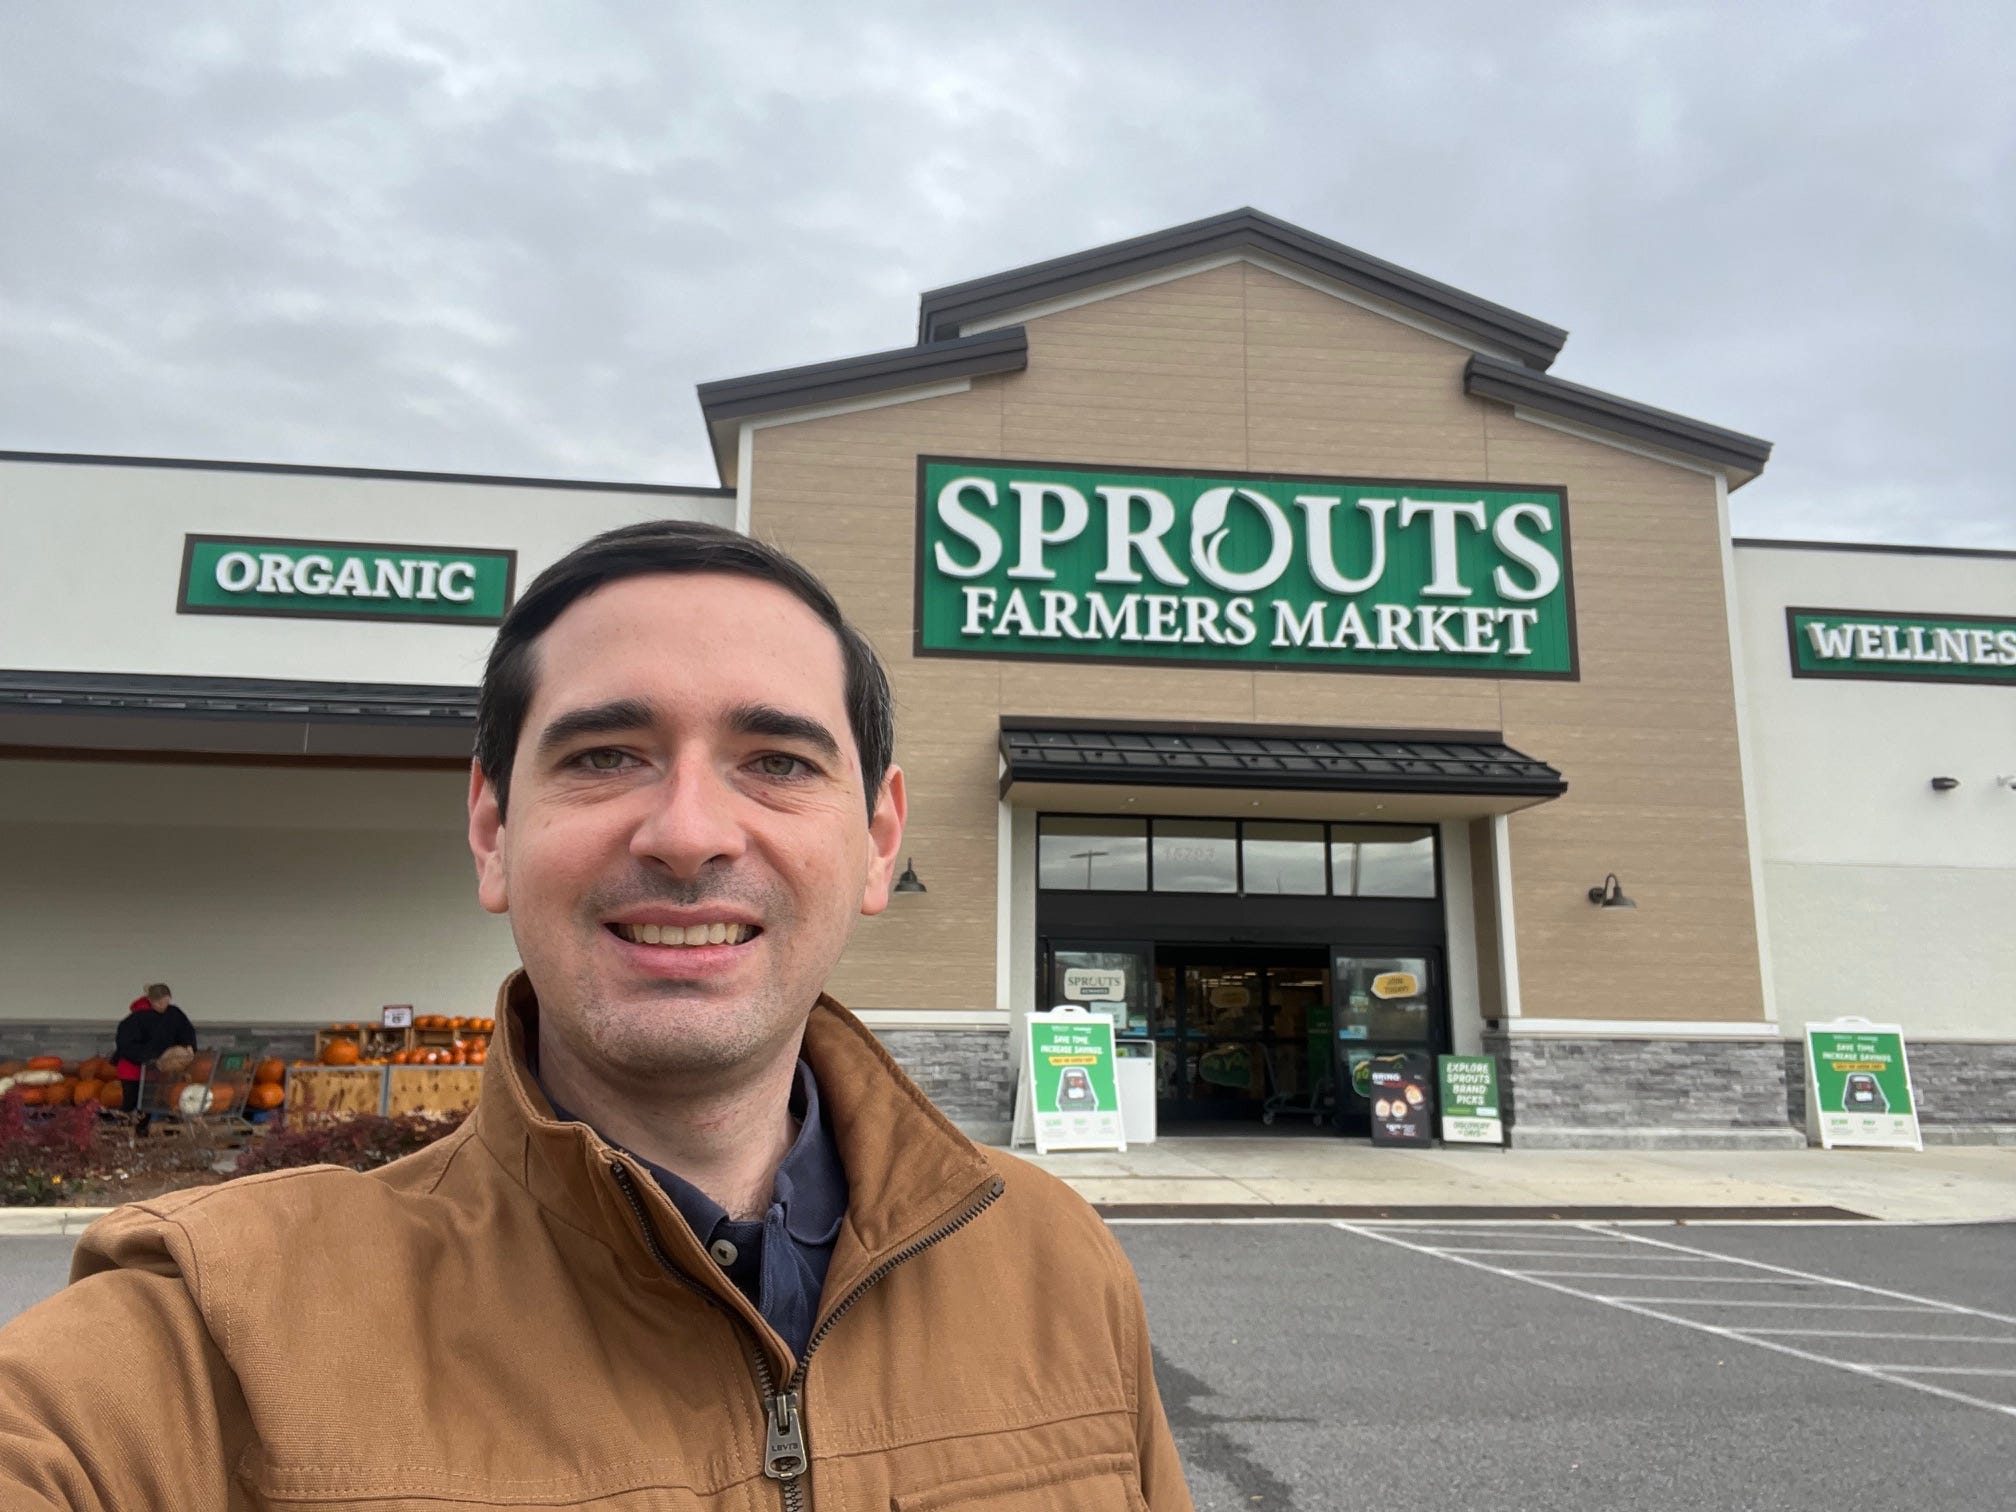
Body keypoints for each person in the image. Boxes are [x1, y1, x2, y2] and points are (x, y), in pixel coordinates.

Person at [0, 521, 1193, 1510]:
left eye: (775, 760)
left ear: (876, 842)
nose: (687, 832)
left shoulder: (1057, 1262)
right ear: (491, 830)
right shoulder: (212, 1342)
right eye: (606, 755)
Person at [111, 982, 196, 1126]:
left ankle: (142, 1132)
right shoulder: (135, 1019)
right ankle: (126, 1131)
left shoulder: (174, 1014)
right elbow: (127, 1045)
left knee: (148, 1104)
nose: (163, 1006)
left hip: (156, 1069)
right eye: (159, 1002)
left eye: (166, 1002)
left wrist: (188, 1046)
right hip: (133, 1068)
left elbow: (185, 1030)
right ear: (150, 1000)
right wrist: (152, 1058)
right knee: (131, 1103)